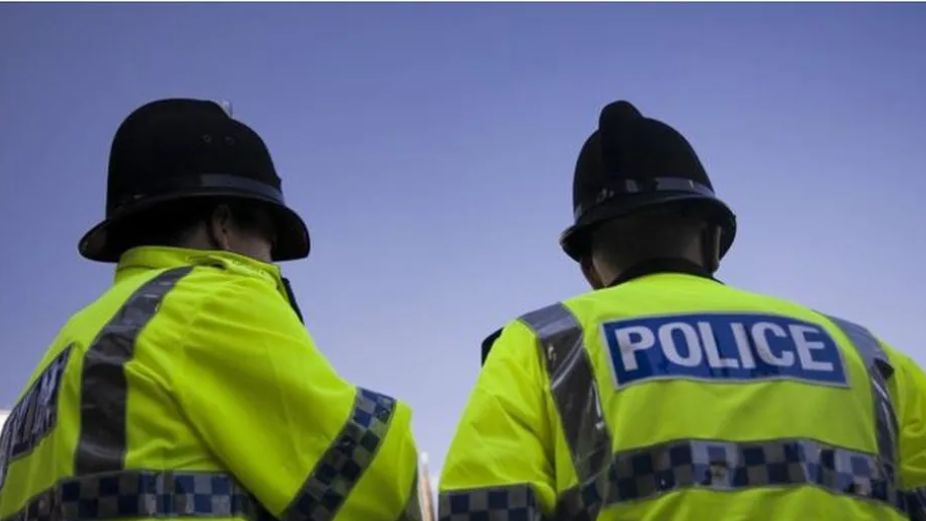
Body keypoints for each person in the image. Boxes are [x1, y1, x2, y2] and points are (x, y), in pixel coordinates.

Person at [438, 100, 926, 520]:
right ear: (714, 241)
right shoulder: (870, 356)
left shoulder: (541, 345)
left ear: (589, 268)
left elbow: (484, 506)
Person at [0, 99, 422, 521]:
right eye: (270, 241)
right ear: (223, 225)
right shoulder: (209, 301)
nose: (272, 263)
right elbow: (370, 486)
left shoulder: (64, 353)